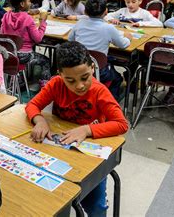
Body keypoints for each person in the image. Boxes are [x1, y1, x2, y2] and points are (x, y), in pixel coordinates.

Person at [25, 41, 128, 217]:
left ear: (92, 69)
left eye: (85, 77)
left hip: (89, 156)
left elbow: (121, 124)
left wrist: (87, 130)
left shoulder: (99, 91)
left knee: (95, 206)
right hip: (60, 151)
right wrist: (40, 120)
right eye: (70, 80)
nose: (79, 85)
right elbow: (33, 104)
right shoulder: (56, 84)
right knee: (47, 199)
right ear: (60, 74)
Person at [69, 0, 131, 99]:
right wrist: (128, 37)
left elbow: (70, 41)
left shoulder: (79, 23)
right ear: (106, 11)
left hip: (79, 67)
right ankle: (109, 107)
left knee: (109, 63)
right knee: (117, 79)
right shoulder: (108, 28)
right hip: (100, 72)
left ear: (85, 12)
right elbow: (123, 45)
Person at [0, 0, 51, 88]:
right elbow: (38, 39)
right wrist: (43, 22)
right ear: (23, 3)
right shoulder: (27, 18)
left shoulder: (6, 16)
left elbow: (2, 34)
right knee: (45, 60)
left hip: (9, 54)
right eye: (28, 1)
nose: (30, 3)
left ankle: (20, 79)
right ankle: (45, 85)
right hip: (25, 56)